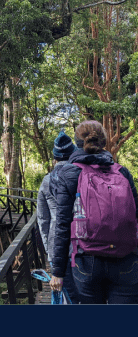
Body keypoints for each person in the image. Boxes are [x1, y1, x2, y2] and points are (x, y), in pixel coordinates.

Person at [49, 121, 138, 304]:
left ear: (77, 142)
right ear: (104, 142)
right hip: (125, 260)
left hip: (86, 261)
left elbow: (62, 224)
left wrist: (58, 272)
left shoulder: (69, 172)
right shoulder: (123, 172)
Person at [37, 129, 78, 303]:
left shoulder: (46, 181)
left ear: (55, 158)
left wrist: (49, 249)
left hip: (56, 244)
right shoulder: (80, 175)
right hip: (81, 243)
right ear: (73, 154)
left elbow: (43, 219)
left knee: (64, 295)